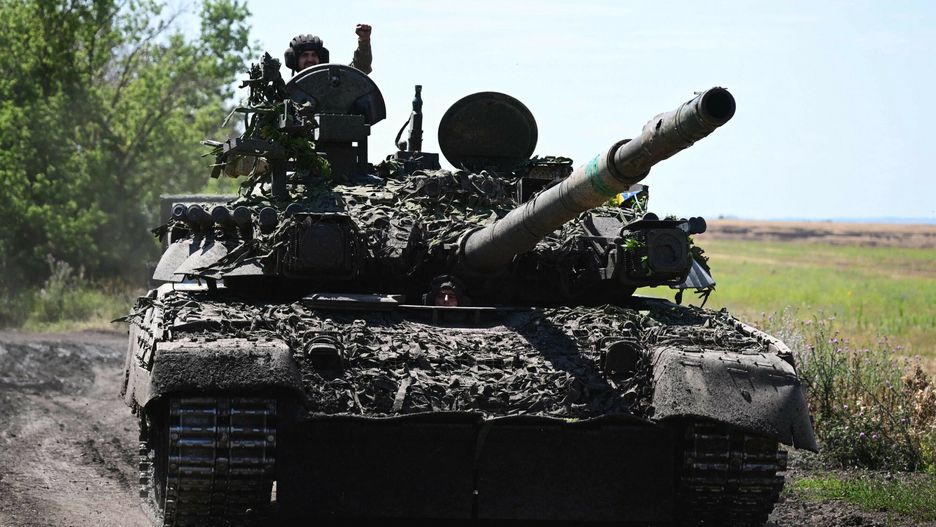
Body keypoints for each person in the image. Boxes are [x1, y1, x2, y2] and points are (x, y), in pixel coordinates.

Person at [284, 24, 372, 75]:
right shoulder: (286, 94)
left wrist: (364, 40)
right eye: (305, 55)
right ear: (295, 60)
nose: (310, 59)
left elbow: (359, 68)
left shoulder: (336, 84)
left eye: (314, 55)